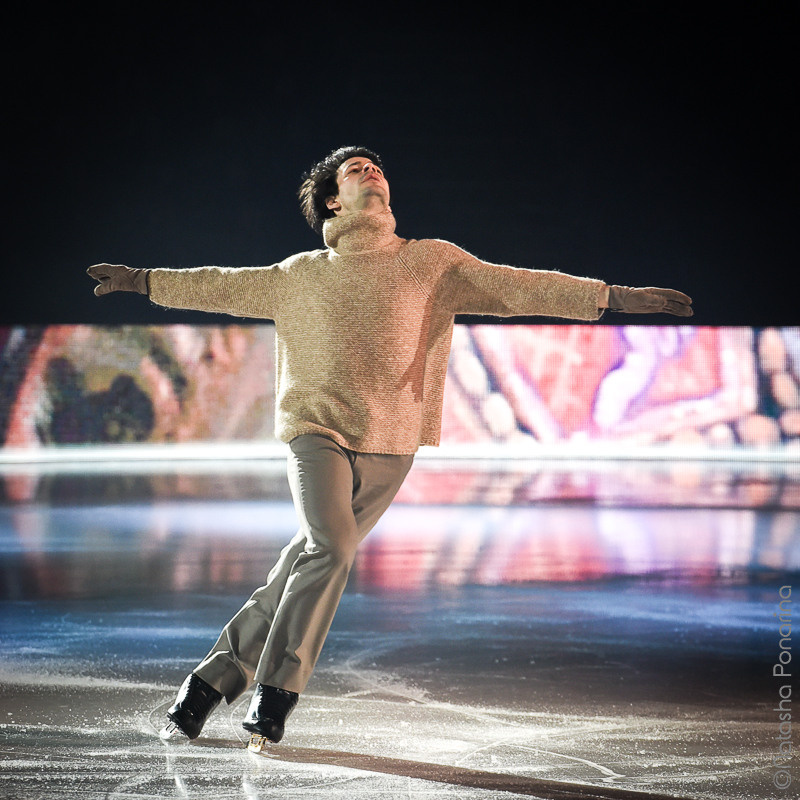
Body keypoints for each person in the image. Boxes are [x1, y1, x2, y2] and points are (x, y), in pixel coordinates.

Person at [87, 145, 692, 748]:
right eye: (354, 169)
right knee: (332, 546)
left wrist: (610, 296)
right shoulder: (299, 274)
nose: (370, 170)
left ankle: (208, 684)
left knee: (305, 563)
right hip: (314, 428)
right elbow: (219, 285)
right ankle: (275, 694)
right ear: (332, 199)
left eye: (375, 166)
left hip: (391, 440)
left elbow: (516, 287)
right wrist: (144, 281)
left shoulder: (432, 262)